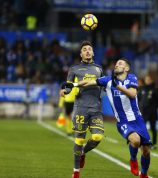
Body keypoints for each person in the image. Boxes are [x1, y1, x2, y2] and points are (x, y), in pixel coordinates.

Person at [65, 58, 151, 178]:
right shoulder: (108, 80)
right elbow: (89, 82)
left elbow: (132, 94)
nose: (117, 65)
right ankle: (133, 159)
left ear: (126, 68)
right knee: (135, 141)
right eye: (116, 64)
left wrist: (118, 87)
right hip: (123, 121)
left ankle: (144, 174)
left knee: (146, 151)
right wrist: (73, 84)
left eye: (120, 64)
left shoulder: (132, 78)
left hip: (138, 119)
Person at [60, 41, 104, 178]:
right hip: (81, 108)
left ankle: (83, 152)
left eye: (89, 49)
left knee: (97, 137)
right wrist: (65, 91)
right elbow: (68, 86)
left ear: (93, 52)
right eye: (84, 49)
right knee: (79, 140)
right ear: (81, 54)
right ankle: (76, 171)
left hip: (95, 108)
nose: (87, 51)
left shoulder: (99, 69)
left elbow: (101, 85)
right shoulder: (74, 69)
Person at [138, 75, 158, 149]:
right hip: (143, 111)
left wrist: (154, 107)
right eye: (146, 79)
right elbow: (138, 99)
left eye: (149, 79)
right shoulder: (142, 89)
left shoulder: (156, 89)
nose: (147, 81)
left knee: (153, 128)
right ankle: (142, 142)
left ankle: (154, 144)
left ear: (152, 80)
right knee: (142, 127)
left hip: (152, 112)